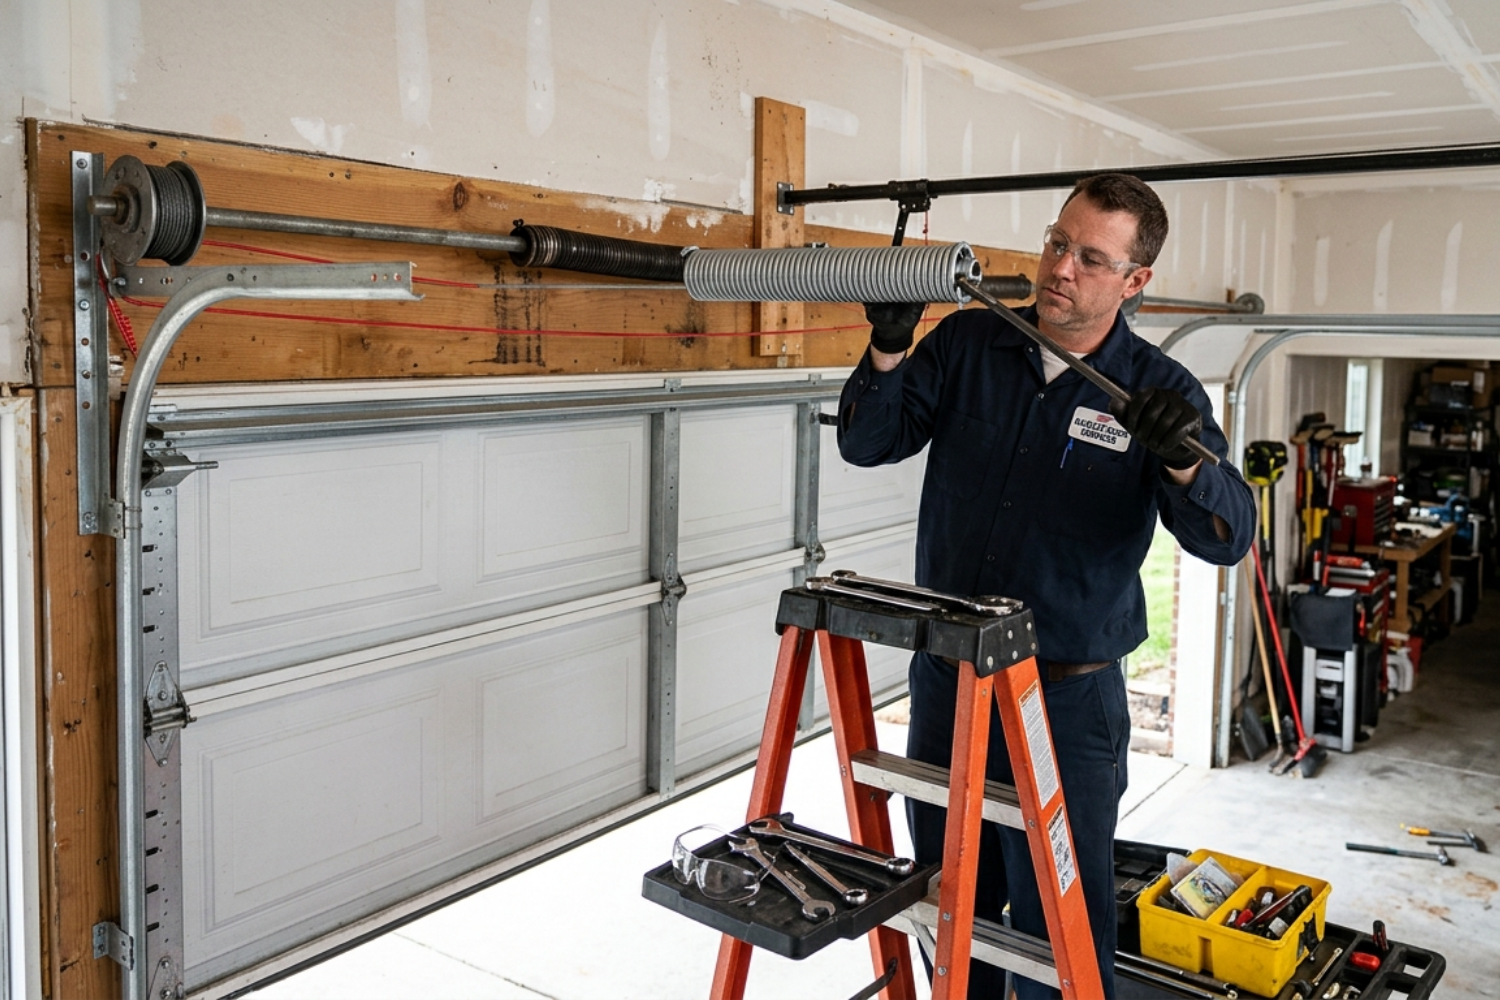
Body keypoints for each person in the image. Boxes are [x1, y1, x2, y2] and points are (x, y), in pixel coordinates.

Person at [836, 173, 1256, 998]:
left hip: (1063, 704)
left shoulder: (1159, 394)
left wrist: (1180, 457)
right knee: (946, 897)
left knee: (1057, 921)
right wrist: (887, 349)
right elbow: (868, 442)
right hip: (949, 683)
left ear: (1135, 282)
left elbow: (1228, 535)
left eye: (1091, 258)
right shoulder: (965, 345)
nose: (1062, 267)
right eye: (1057, 242)